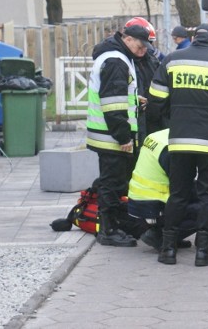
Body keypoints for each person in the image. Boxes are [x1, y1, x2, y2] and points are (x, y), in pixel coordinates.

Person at [147, 23, 208, 266]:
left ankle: (168, 250)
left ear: (193, 39)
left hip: (180, 141)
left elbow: (155, 100)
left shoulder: (172, 60)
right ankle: (203, 252)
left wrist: (170, 119)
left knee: (178, 195)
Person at [86, 23, 153, 247]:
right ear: (128, 39)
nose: (144, 50)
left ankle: (114, 226)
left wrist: (135, 101)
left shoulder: (118, 57)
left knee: (113, 182)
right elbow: (112, 104)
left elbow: (118, 96)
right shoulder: (116, 60)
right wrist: (123, 137)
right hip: (111, 137)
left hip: (107, 135)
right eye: (141, 45)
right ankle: (108, 230)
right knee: (111, 183)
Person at [127, 128, 199, 251]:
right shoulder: (171, 149)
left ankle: (169, 235)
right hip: (153, 205)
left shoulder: (158, 136)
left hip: (138, 200)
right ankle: (161, 238)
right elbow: (181, 184)